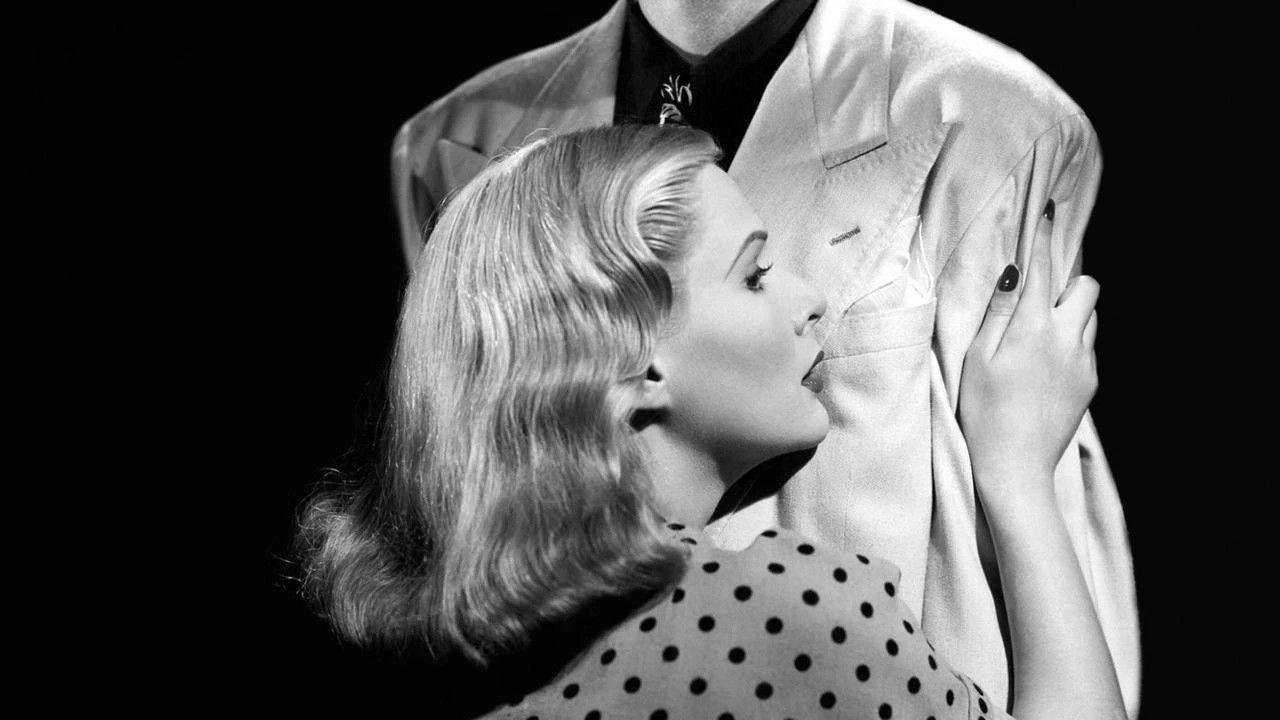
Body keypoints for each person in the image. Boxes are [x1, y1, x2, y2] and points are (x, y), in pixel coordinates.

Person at [390, 1, 1139, 713]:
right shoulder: (797, 609)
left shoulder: (990, 114)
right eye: (755, 275)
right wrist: (1018, 473)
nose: (809, 299)